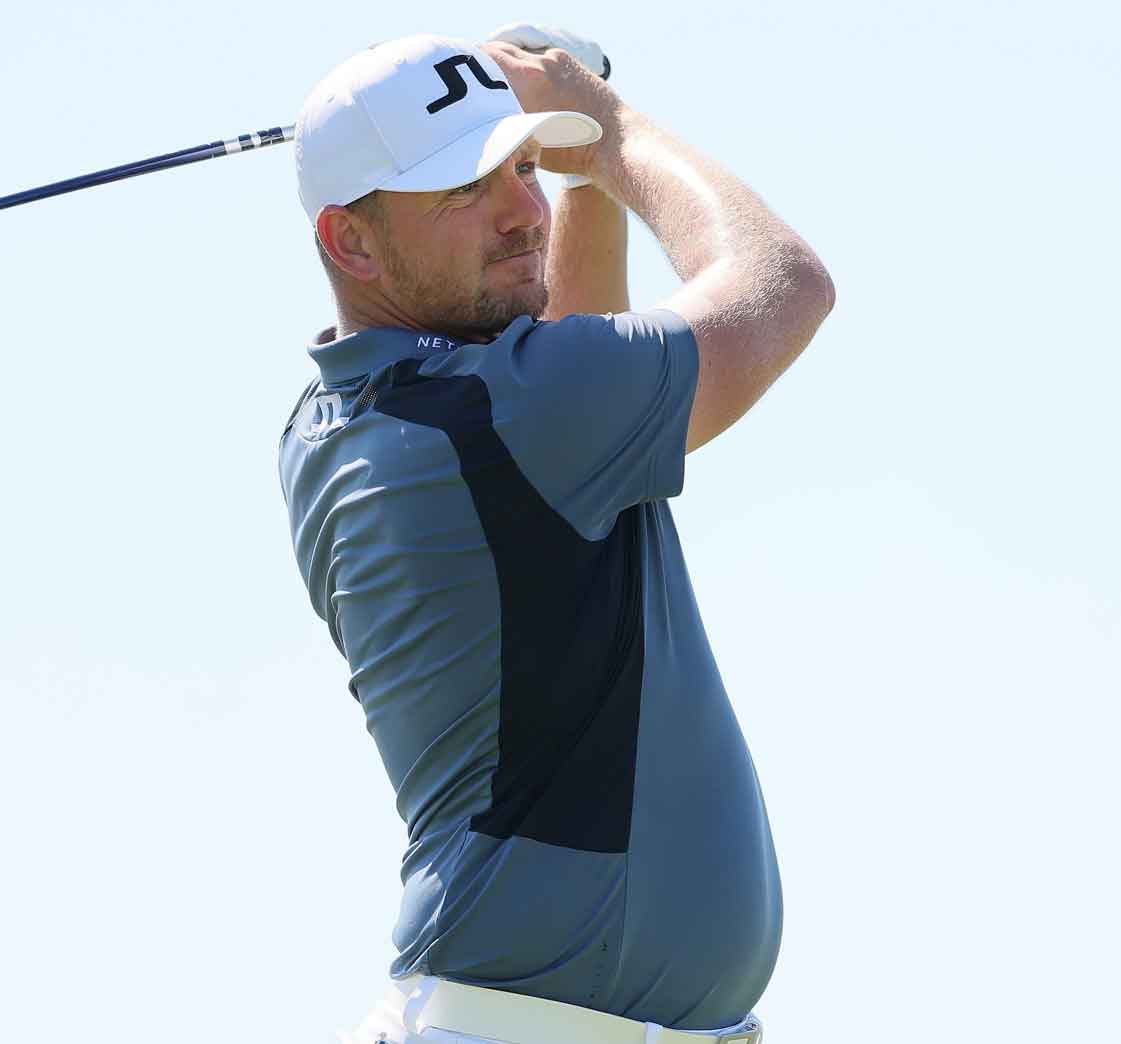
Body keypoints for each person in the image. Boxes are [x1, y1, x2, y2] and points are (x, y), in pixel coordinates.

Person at [278, 24, 833, 1044]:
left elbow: (574, 347)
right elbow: (780, 285)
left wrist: (581, 183)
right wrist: (609, 133)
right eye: (462, 188)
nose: (518, 211)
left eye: (524, 168)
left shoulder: (362, 417)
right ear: (348, 240)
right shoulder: (497, 415)